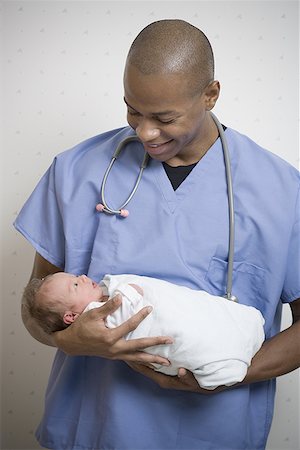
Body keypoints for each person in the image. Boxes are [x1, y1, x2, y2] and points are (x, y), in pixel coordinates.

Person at [14, 19, 300, 450]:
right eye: (133, 110)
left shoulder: (281, 190)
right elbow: (37, 306)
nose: (145, 132)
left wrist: (229, 374)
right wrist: (71, 340)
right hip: (95, 426)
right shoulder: (77, 171)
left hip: (213, 430)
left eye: (164, 118)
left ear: (211, 94)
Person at [23, 271, 265, 390]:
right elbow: (131, 295)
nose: (84, 276)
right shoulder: (101, 312)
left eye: (77, 276)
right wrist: (69, 341)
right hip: (105, 404)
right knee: (189, 341)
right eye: (76, 284)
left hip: (225, 406)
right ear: (71, 317)